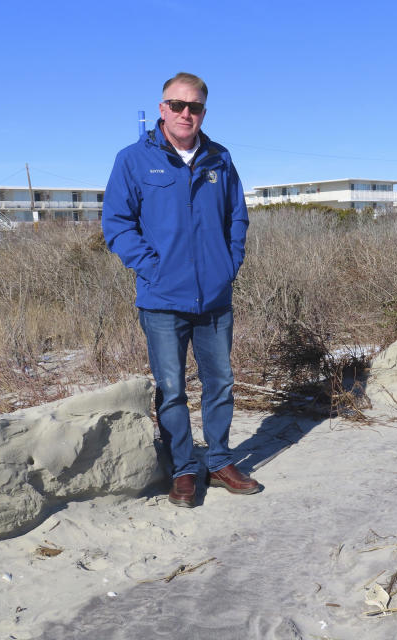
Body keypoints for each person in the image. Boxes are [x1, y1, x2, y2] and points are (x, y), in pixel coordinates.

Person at [102, 72, 260, 508]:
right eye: (177, 105)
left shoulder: (219, 159)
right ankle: (184, 468)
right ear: (162, 108)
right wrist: (153, 269)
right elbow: (116, 224)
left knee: (221, 383)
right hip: (161, 300)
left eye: (194, 107)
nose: (185, 113)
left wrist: (229, 265)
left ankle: (221, 459)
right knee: (171, 388)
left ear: (204, 111)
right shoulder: (133, 160)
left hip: (214, 298)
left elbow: (237, 218)